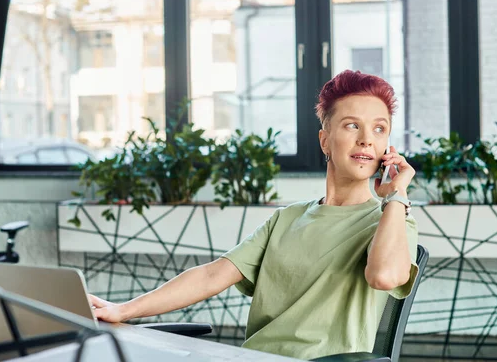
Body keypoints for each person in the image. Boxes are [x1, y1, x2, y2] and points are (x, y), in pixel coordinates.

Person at [89, 70, 418, 361]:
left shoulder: (393, 220)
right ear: (325, 141)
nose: (366, 139)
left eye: (379, 129)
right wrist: (122, 310)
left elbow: (384, 277)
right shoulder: (286, 219)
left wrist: (397, 194)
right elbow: (211, 277)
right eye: (352, 125)